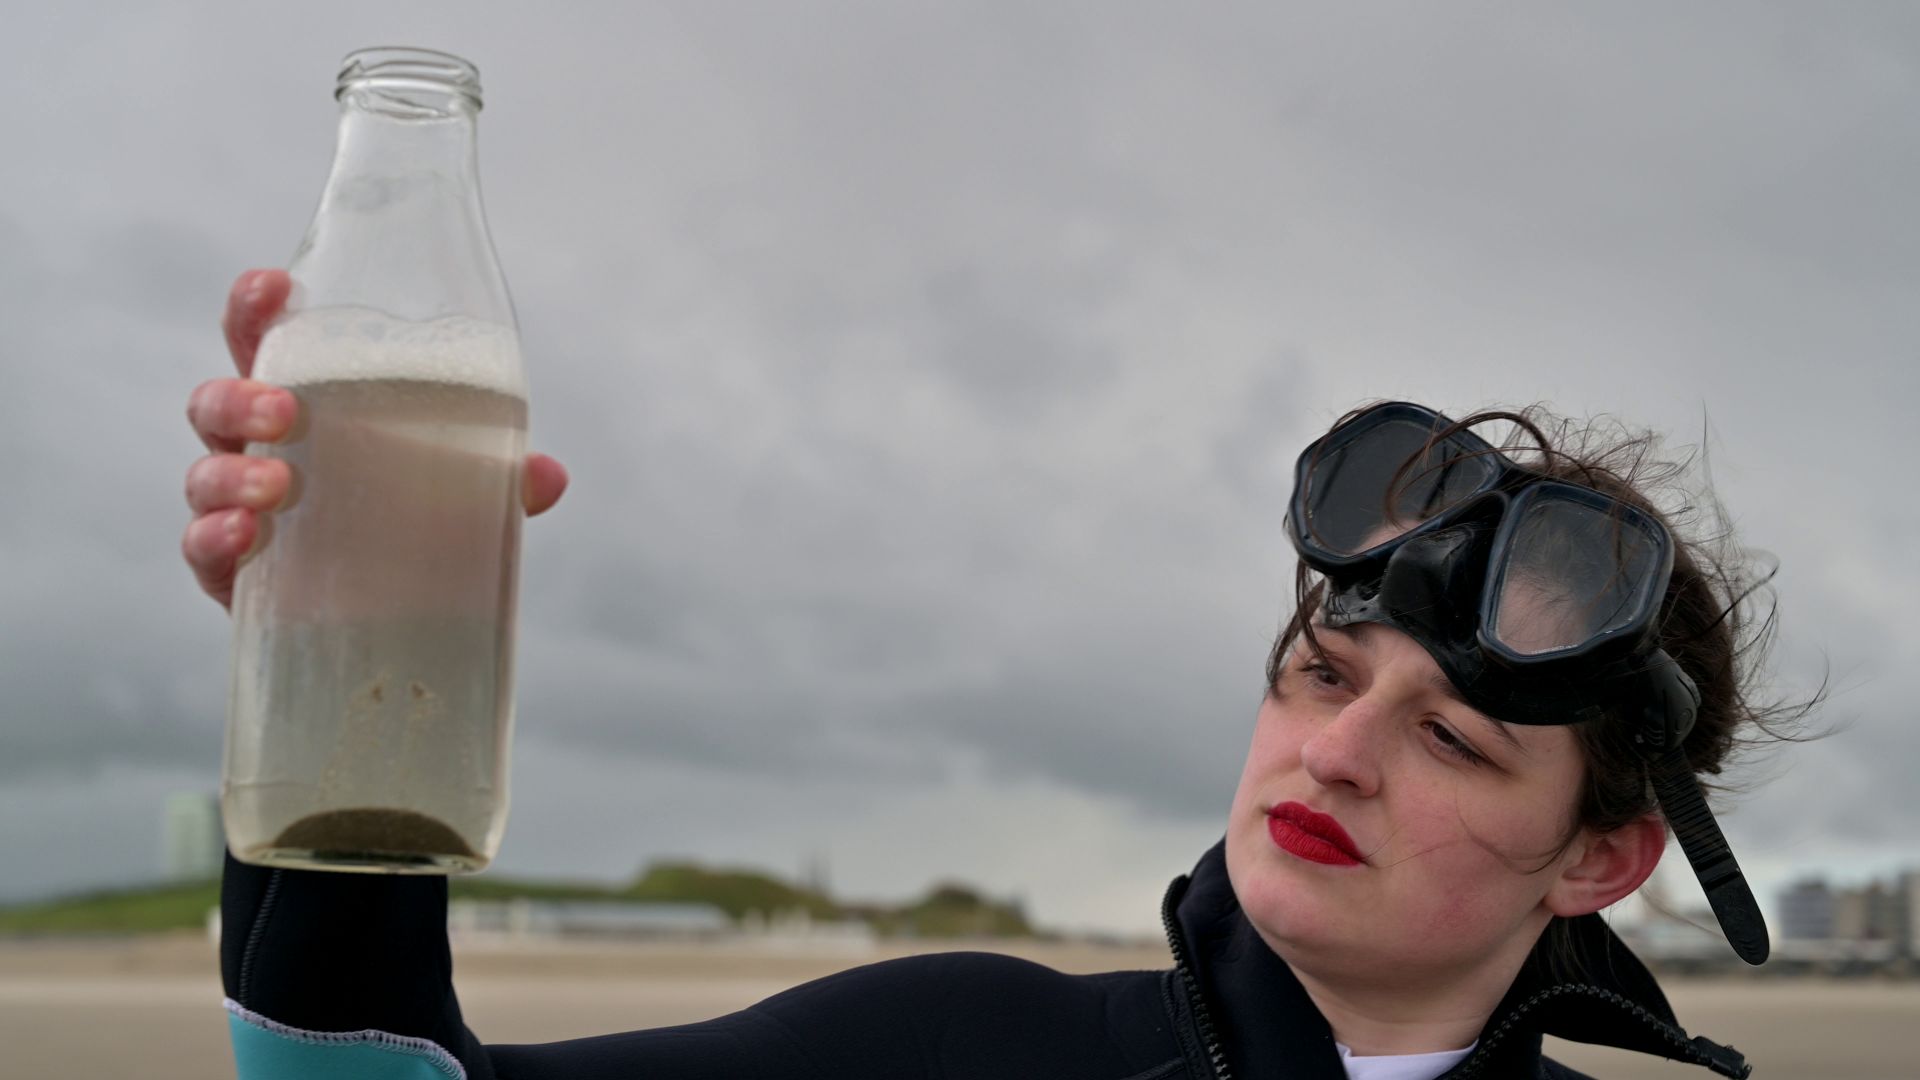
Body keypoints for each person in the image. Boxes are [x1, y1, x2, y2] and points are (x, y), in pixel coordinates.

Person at [183, 269, 1790, 1080]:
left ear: (1603, 857)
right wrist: (346, 643)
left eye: (1450, 735)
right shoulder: (959, 1049)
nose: (1338, 755)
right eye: (1318, 672)